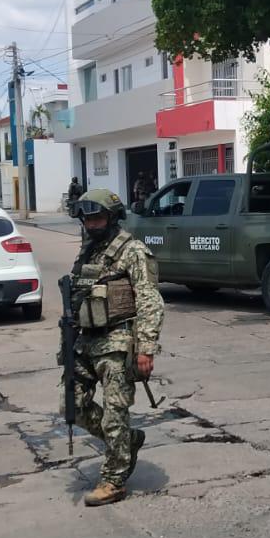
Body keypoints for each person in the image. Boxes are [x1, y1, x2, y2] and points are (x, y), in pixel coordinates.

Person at [64, 188, 165, 507]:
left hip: (118, 341)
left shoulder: (132, 251)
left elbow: (150, 301)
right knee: (73, 406)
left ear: (112, 217)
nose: (91, 223)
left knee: (114, 412)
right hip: (85, 340)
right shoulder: (88, 251)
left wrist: (146, 347)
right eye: (87, 218)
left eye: (97, 217)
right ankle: (126, 441)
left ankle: (114, 478)